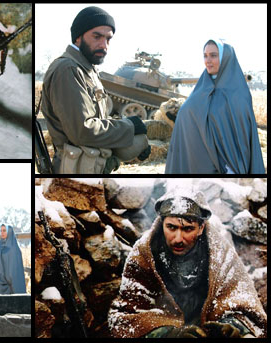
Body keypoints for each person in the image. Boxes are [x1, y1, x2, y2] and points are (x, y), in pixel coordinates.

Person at [108, 188, 267, 338]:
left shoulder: (220, 253)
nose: (178, 238)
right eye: (171, 227)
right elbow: (126, 317)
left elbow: (245, 307)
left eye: (188, 229)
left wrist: (232, 327)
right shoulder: (144, 252)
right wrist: (167, 334)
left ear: (201, 228)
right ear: (162, 223)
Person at [41, 6, 150, 174]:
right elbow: (83, 131)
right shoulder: (68, 69)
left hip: (90, 171)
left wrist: (131, 147)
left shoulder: (88, 70)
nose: (104, 45)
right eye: (97, 36)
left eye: (108, 39)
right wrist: (129, 127)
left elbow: (100, 123)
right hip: (74, 177)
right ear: (78, 37)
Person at [165, 39, 265, 174]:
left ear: (225, 58)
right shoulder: (200, 90)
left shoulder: (238, 94)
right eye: (205, 56)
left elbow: (242, 137)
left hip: (230, 168)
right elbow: (187, 119)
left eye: (213, 55)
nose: (208, 60)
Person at [0, 224, 26, 294]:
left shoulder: (14, 250)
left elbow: (15, 272)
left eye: (4, 231)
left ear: (9, 232)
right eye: (1, 231)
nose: (2, 233)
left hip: (10, 287)